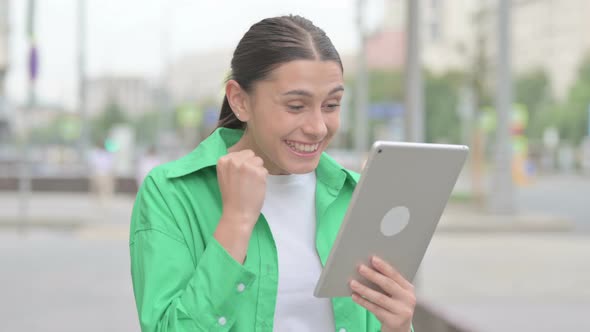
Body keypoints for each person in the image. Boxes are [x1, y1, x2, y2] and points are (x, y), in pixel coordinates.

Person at [130, 15, 415, 332]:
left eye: (332, 105)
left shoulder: (356, 194)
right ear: (239, 100)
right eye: (296, 106)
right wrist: (236, 221)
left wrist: (399, 326)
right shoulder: (171, 194)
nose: (317, 127)